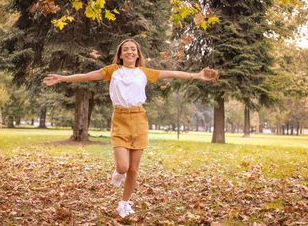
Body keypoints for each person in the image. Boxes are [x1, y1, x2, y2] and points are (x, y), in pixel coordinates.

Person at [43, 39, 219, 218]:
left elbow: (171, 73)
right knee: (123, 166)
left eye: (132, 49)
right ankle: (118, 173)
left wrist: (197, 75)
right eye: (125, 49)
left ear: (137, 53)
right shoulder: (113, 71)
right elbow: (87, 75)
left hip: (139, 119)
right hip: (119, 119)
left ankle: (123, 204)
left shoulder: (144, 73)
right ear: (120, 54)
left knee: (133, 170)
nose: (129, 52)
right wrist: (62, 78)